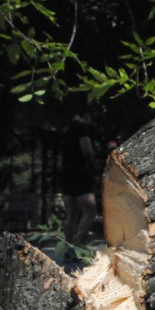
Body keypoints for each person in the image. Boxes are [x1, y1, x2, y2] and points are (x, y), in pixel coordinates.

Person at [60, 110, 97, 260]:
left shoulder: (66, 129)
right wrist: (93, 158)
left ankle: (67, 248)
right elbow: (87, 149)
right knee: (90, 211)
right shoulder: (82, 128)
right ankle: (78, 246)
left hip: (65, 174)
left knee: (71, 214)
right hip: (80, 173)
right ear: (85, 115)